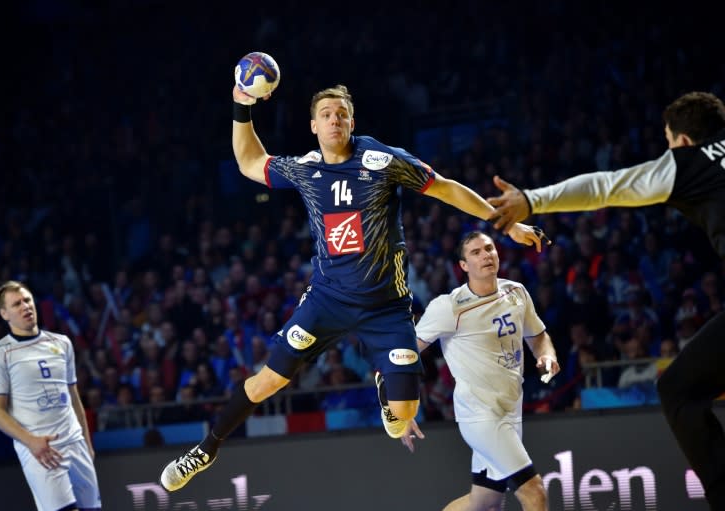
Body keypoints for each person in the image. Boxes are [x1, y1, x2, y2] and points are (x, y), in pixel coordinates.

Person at [158, 80, 548, 492]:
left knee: (402, 417)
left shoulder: (383, 161)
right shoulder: (306, 170)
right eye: (326, 115)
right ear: (313, 125)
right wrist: (240, 105)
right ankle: (206, 448)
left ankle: (385, 383)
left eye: (341, 114)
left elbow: (447, 188)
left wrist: (507, 223)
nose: (334, 120)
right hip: (328, 300)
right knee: (267, 381)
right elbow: (249, 161)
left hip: (386, 308)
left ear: (352, 121)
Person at [487, 91, 725, 510]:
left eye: (669, 142)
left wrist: (532, 200)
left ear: (683, 141)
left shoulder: (693, 161)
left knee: (679, 392)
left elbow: (605, 186)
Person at [399, 231, 559, 511]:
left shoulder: (517, 292)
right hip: (480, 415)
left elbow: (538, 336)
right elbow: (403, 355)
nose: (486, 255)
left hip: (511, 409)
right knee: (534, 493)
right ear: (463, 266)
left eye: (489, 249)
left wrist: (546, 355)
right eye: (476, 252)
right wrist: (400, 409)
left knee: (484, 502)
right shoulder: (449, 307)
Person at [0, 280, 101, 511]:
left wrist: (86, 442)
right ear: (4, 313)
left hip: (75, 443)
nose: (25, 306)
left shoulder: (62, 343)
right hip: (39, 450)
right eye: (16, 304)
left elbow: (74, 398)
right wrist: (31, 442)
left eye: (27, 300)